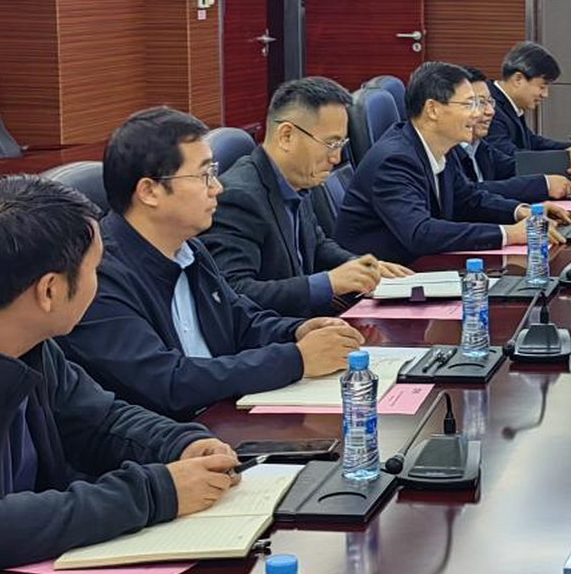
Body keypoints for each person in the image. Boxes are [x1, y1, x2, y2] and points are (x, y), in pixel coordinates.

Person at [0, 176, 241, 574]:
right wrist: (155, 492)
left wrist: (179, 443)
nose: (99, 283)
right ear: (49, 291)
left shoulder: (26, 339)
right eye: (95, 270)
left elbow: (100, 419)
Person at [61, 107, 364, 419]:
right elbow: (167, 382)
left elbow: (241, 321)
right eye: (204, 175)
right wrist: (296, 359)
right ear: (149, 191)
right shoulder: (99, 275)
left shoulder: (189, 248)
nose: (217, 187)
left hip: (223, 418)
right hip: (171, 439)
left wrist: (297, 331)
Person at [202, 77, 413, 316]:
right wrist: (327, 283)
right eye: (331, 144)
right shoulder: (239, 198)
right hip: (276, 331)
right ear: (286, 136)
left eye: (341, 144)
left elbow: (317, 245)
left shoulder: (296, 178)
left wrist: (361, 267)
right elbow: (234, 292)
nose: (336, 158)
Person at [336, 61, 571, 261]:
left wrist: (521, 212)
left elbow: (468, 199)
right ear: (433, 109)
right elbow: (420, 232)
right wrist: (510, 234)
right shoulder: (395, 160)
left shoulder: (440, 146)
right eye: (469, 104)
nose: (477, 114)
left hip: (419, 267)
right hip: (375, 281)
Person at [451, 67, 571, 204]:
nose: (491, 111)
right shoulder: (446, 151)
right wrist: (544, 185)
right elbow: (469, 193)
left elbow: (511, 166)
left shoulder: (478, 145)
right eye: (480, 103)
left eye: (490, 102)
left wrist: (562, 170)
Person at [487, 40, 571, 169]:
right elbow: (510, 157)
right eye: (542, 87)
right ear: (518, 79)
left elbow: (532, 142)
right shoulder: (489, 107)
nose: (545, 94)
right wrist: (564, 158)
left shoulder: (508, 102)